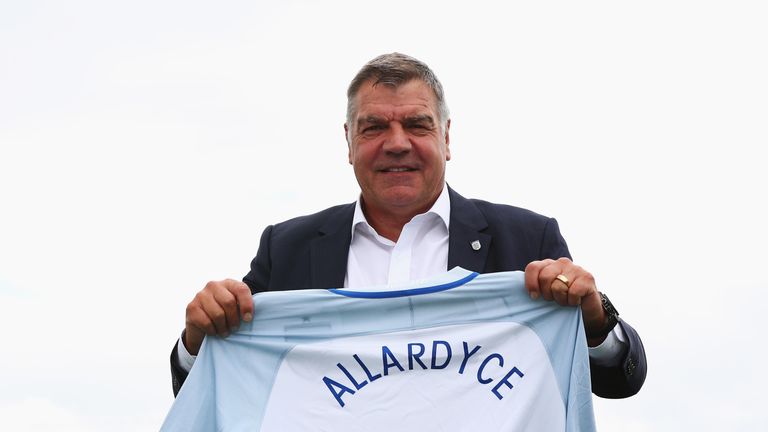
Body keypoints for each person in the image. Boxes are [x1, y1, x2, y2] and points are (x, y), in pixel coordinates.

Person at [170, 52, 646, 399]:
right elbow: (213, 383)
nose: (396, 144)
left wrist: (594, 319)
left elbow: (618, 380)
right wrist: (197, 338)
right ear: (349, 142)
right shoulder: (287, 248)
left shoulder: (527, 239)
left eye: (416, 125)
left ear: (446, 136)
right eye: (374, 127)